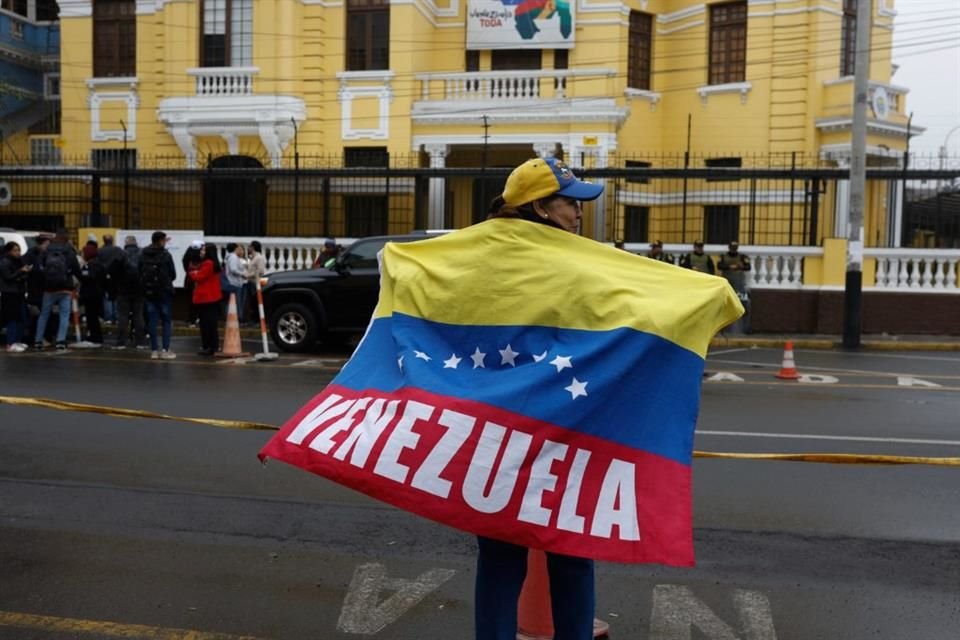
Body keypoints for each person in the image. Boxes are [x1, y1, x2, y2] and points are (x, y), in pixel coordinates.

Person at [476, 156, 605, 640]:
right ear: (540, 209)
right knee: (571, 557)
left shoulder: (476, 254)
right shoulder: (575, 263)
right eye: (571, 204)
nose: (578, 214)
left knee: (499, 559)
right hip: (560, 430)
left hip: (495, 431)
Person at [34, 229, 81, 351]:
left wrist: (45, 277)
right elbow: (76, 269)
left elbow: (38, 266)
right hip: (65, 288)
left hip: (49, 288)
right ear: (66, 237)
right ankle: (60, 341)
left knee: (44, 314)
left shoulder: (47, 249)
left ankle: (38, 340)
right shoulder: (69, 251)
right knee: (64, 315)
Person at [140, 230, 177, 360]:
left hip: (149, 291)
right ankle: (165, 349)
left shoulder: (143, 253)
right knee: (166, 321)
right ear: (161, 241)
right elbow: (173, 273)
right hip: (164, 291)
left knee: (152, 320)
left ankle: (154, 350)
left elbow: (139, 270)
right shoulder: (165, 254)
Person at [110, 235, 146, 350]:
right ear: (135, 243)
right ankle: (140, 342)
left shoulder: (121, 253)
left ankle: (121, 343)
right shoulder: (142, 253)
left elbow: (112, 270)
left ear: (126, 243)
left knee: (123, 316)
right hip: (139, 290)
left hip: (123, 289)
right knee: (138, 316)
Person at [189, 242, 223, 356]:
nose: (201, 252)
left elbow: (198, 277)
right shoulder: (214, 263)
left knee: (206, 324)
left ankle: (208, 346)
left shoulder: (208, 263)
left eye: (203, 250)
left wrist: (192, 271)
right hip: (212, 297)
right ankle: (213, 345)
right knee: (211, 324)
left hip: (205, 298)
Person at [0, 242, 31, 352]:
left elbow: (20, 276)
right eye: (15, 250)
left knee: (22, 318)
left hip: (19, 293)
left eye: (18, 250)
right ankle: (10, 343)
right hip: (9, 294)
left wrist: (24, 273)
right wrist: (20, 271)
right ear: (9, 251)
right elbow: (8, 277)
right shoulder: (4, 262)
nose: (18, 253)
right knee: (12, 319)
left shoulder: (18, 261)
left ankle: (17, 341)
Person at [22, 234, 50, 345]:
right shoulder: (32, 254)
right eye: (47, 244)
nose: (48, 246)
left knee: (41, 314)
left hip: (41, 289)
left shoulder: (42, 254)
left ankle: (38, 337)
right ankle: (35, 337)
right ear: (41, 243)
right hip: (35, 290)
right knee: (36, 315)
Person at [78, 244, 107, 345]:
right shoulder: (100, 264)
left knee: (91, 317)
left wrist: (80, 273)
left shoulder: (89, 265)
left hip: (90, 294)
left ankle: (94, 337)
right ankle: (96, 336)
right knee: (94, 316)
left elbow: (86, 278)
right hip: (98, 293)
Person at [98, 233, 123, 324]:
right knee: (116, 297)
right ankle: (116, 317)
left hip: (104, 276)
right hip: (117, 276)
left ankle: (108, 317)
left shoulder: (100, 251)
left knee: (106, 297)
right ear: (112, 241)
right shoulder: (118, 250)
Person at [222, 242, 247, 322]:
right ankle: (235, 318)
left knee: (232, 302)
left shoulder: (231, 257)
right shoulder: (233, 257)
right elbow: (233, 269)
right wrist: (243, 274)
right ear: (235, 249)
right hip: (234, 283)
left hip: (233, 283)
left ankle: (231, 317)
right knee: (235, 302)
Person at [244, 240, 267, 324]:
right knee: (251, 302)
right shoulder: (252, 257)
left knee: (255, 302)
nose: (248, 248)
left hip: (255, 283)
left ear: (253, 247)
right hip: (251, 282)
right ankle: (252, 319)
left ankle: (256, 320)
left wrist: (248, 275)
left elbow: (260, 271)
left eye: (249, 246)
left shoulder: (259, 257)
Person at [182, 239, 203, 325]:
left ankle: (191, 319)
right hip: (199, 282)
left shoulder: (188, 258)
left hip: (189, 280)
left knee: (191, 301)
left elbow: (185, 265)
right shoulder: (202, 258)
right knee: (199, 301)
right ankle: (197, 318)